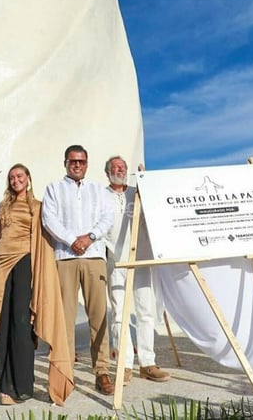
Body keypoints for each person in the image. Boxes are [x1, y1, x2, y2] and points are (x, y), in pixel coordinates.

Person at [0, 164, 74, 405]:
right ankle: (5, 387)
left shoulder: (38, 207)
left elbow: (46, 236)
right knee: (3, 322)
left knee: (22, 322)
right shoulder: (2, 206)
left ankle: (23, 387)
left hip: (25, 263)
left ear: (28, 178)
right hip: (3, 266)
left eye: (20, 176)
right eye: (12, 177)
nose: (16, 180)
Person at [42, 145, 116, 395]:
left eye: (82, 161)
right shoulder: (54, 188)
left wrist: (90, 237)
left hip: (94, 255)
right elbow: (49, 219)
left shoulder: (98, 190)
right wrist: (72, 239)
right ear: (65, 163)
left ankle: (102, 371)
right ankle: (66, 371)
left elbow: (108, 217)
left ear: (87, 163)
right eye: (73, 161)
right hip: (65, 257)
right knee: (65, 318)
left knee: (98, 315)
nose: (77, 165)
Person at [104, 156, 169, 384]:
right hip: (116, 260)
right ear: (107, 172)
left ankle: (147, 363)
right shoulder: (102, 196)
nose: (119, 170)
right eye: (114, 167)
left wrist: (146, 180)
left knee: (145, 311)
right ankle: (124, 364)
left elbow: (157, 207)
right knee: (119, 313)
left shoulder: (138, 191)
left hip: (140, 257)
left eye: (122, 167)